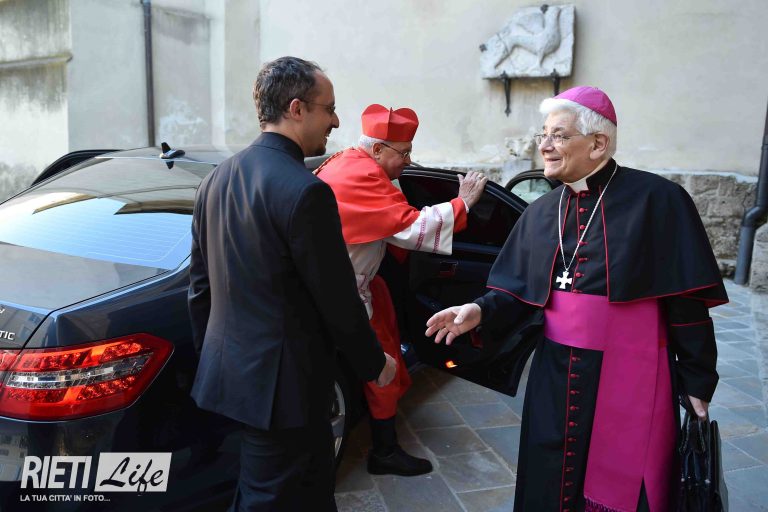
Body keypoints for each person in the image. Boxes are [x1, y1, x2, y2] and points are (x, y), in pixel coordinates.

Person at [426, 86, 727, 512]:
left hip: (634, 367)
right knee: (550, 475)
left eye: (559, 136)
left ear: (598, 143)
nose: (545, 146)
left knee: (630, 479)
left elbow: (685, 302)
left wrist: (697, 378)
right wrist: (478, 310)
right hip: (555, 372)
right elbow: (518, 291)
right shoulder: (541, 211)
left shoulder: (658, 200)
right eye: (544, 135)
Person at [188, 56, 397, 512]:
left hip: (237, 379)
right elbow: (337, 298)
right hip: (284, 390)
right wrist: (373, 363)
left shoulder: (215, 179)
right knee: (271, 498)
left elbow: (200, 290)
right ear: (297, 109)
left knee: (306, 490)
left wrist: (219, 361)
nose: (336, 121)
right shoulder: (306, 190)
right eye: (330, 109)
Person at [316, 104, 488, 476]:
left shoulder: (351, 161)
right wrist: (464, 202)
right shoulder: (360, 174)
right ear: (378, 149)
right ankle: (384, 451)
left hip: (362, 283)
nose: (409, 161)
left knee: (387, 348)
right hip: (348, 295)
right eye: (404, 153)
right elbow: (411, 229)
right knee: (382, 365)